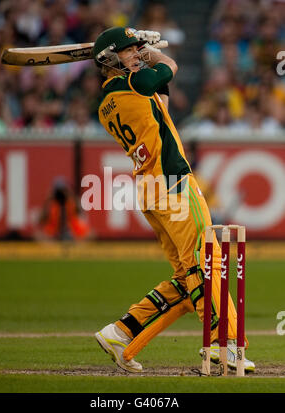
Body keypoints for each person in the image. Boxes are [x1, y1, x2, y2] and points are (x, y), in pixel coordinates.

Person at [93, 26, 255, 374]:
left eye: (137, 49)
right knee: (204, 262)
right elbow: (169, 69)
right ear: (108, 59)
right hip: (173, 183)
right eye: (128, 50)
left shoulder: (108, 102)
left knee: (186, 278)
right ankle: (220, 342)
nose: (135, 54)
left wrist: (140, 59)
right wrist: (155, 56)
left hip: (150, 192)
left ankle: (122, 332)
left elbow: (161, 102)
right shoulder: (130, 84)